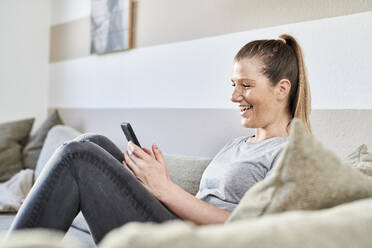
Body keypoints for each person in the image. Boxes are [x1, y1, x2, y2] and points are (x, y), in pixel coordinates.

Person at [6, 33, 312, 244]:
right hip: (178, 227)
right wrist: (157, 182)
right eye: (233, 84)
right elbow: (204, 205)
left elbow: (259, 231)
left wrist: (164, 189)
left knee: (77, 156)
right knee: (92, 142)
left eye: (245, 85)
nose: (234, 96)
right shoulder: (238, 144)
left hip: (194, 243)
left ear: (282, 89)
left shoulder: (291, 153)